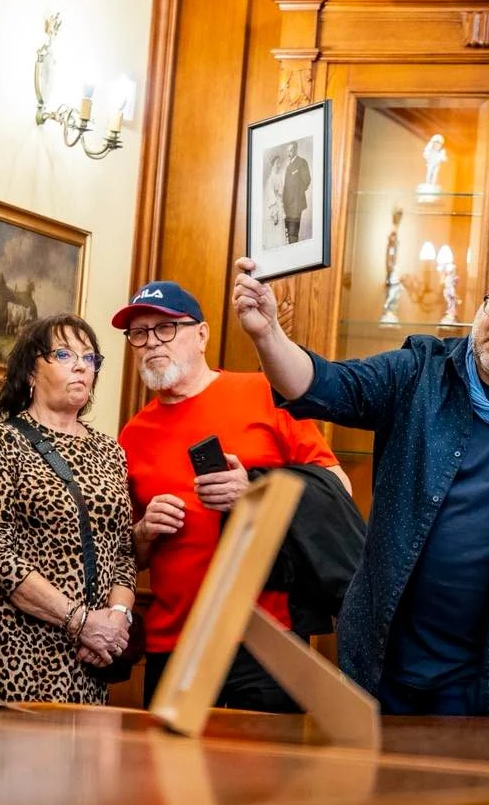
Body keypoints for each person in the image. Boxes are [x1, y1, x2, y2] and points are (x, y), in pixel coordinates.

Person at [232, 253, 489, 716]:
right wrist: (268, 334)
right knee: (368, 786)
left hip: (487, 673)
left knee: (464, 790)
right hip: (378, 654)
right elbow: (324, 385)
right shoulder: (421, 370)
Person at [114, 281, 350, 712]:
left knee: (261, 779)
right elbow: (130, 555)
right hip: (176, 642)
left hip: (264, 638)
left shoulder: (264, 392)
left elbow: (338, 486)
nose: (150, 343)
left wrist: (255, 489)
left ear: (201, 335)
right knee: (167, 777)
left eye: (165, 329)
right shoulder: (133, 435)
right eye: (139, 334)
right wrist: (145, 531)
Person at [0, 315, 137, 709]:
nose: (80, 366)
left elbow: (123, 552)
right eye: (65, 354)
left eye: (90, 359)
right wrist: (81, 621)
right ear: (31, 372)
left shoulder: (110, 451)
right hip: (14, 651)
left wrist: (117, 619)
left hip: (89, 657)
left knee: (79, 770)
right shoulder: (2, 443)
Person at [281, 141, 311, 245]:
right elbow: (286, 186)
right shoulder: (288, 166)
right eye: (288, 151)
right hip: (287, 204)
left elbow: (307, 180)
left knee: (293, 232)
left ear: (296, 150)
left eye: (291, 150)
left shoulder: (302, 162)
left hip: (296, 204)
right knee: (288, 232)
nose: (289, 153)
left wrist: (297, 195)